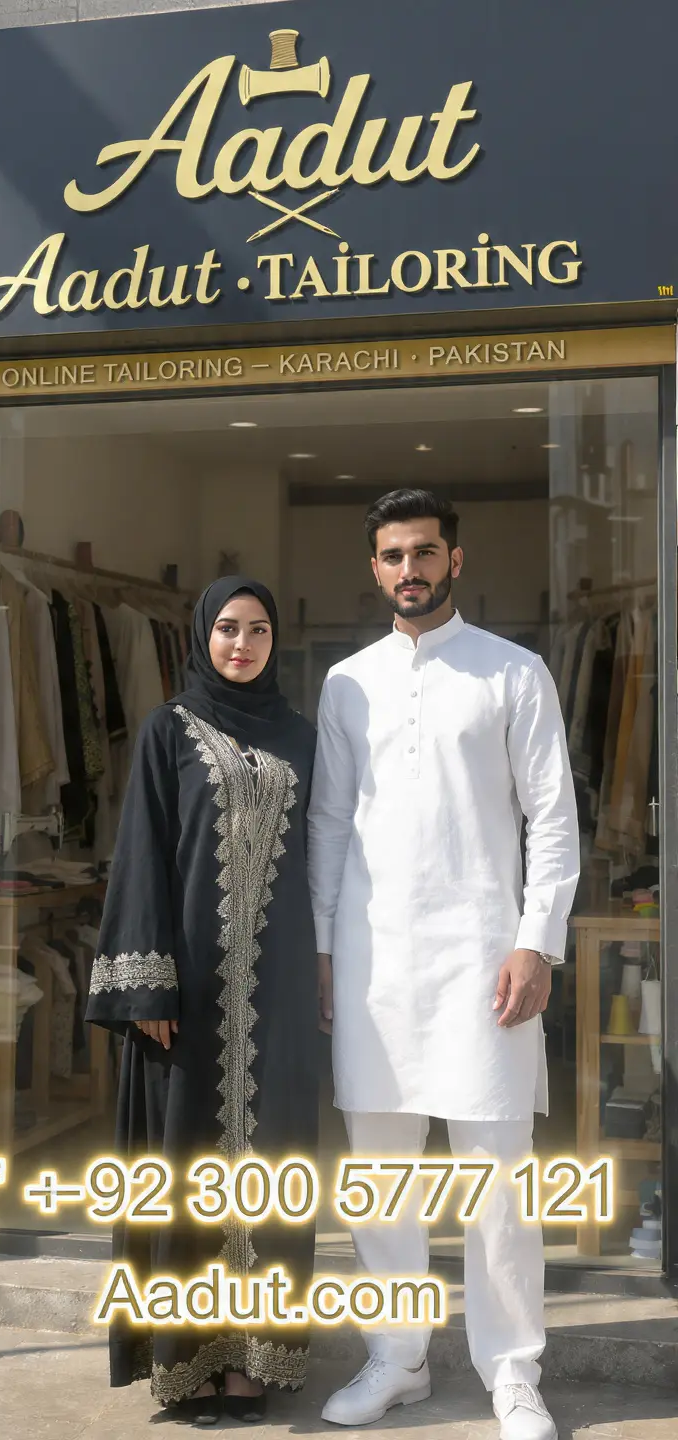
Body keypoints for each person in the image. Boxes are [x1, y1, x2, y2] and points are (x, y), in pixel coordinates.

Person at [308, 490, 579, 1440]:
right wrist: (324, 949)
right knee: (380, 1178)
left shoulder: (514, 672)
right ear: (375, 569)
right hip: (375, 963)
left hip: (485, 962)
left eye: (425, 552)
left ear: (454, 560)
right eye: (393, 556)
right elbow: (328, 824)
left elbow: (553, 818)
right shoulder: (346, 683)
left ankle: (513, 1372)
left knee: (497, 1180)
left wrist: (536, 941)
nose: (410, 569)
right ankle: (400, 1358)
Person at [86, 577, 319, 1425]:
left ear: (275, 641)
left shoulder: (302, 736)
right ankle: (187, 1363)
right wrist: (147, 981)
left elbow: (327, 855)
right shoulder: (167, 729)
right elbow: (142, 852)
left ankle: (254, 1363)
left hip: (280, 990)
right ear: (203, 635)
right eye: (227, 628)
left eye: (258, 630)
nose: (242, 645)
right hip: (187, 990)